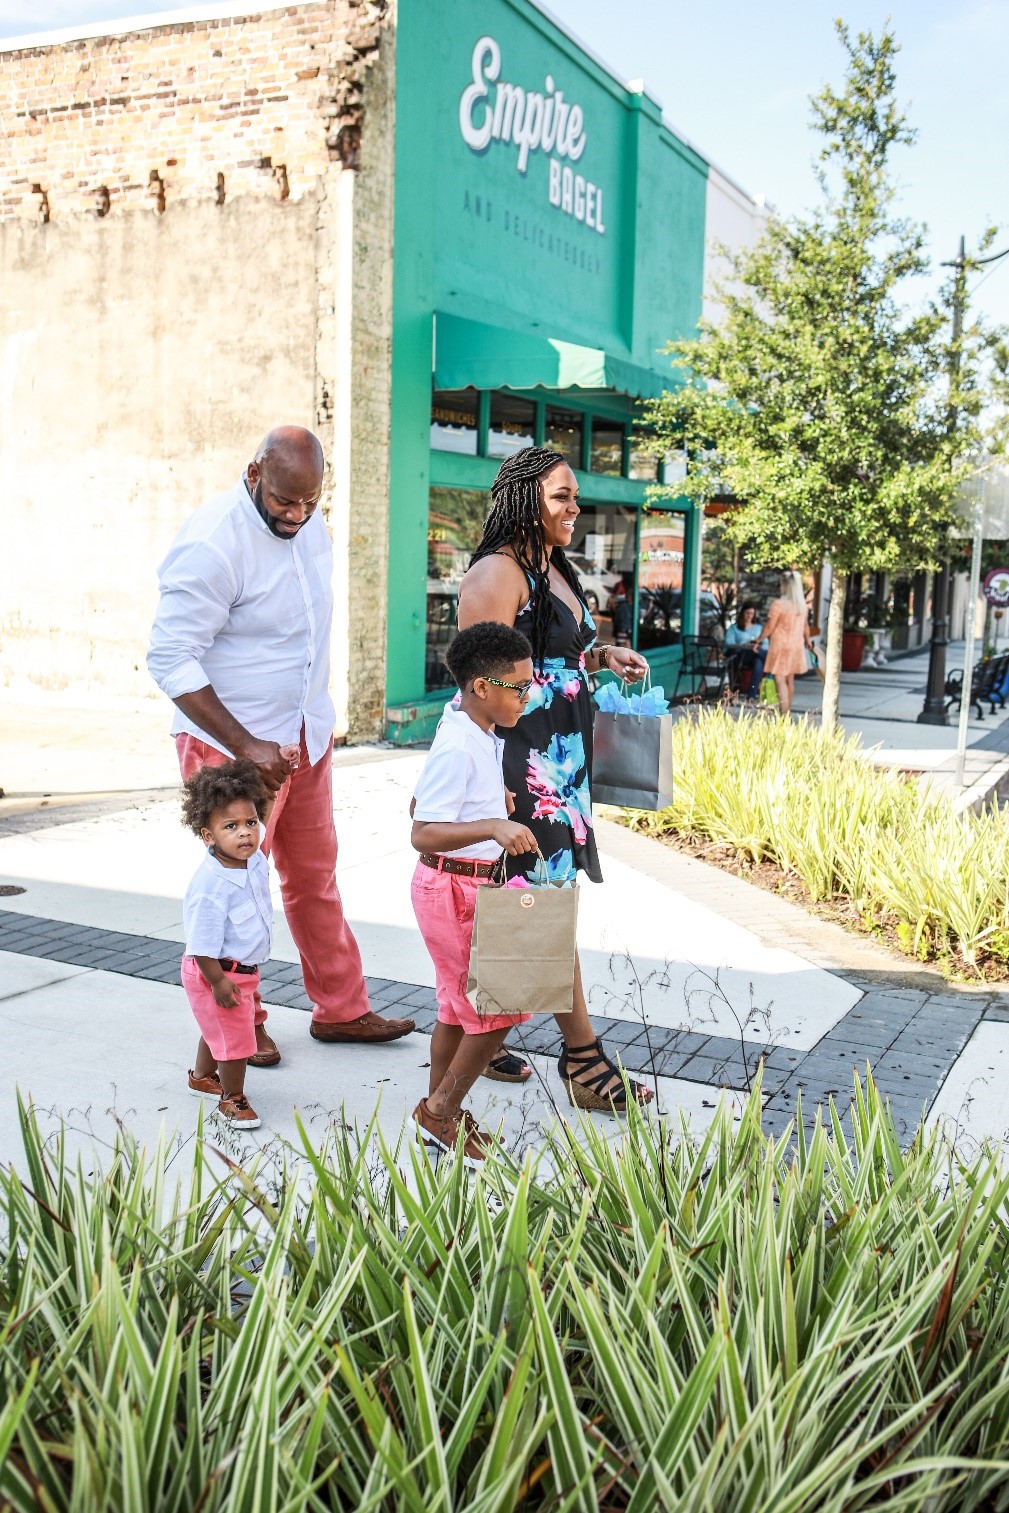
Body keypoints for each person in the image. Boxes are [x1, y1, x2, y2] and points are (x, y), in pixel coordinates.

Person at [148, 426, 415, 1055]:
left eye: (309, 503)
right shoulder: (214, 543)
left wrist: (308, 723)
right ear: (253, 475)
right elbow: (169, 658)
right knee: (239, 885)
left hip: (304, 736)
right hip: (230, 747)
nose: (296, 517)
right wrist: (245, 744)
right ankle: (241, 1026)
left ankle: (342, 1009)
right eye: (283, 502)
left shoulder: (308, 526)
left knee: (314, 875)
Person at [457, 445, 654, 1113]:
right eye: (561, 497)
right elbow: (480, 680)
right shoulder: (497, 571)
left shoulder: (551, 568)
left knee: (536, 904)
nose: (574, 508)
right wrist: (490, 782)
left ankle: (483, 1034)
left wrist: (600, 655)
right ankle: (581, 1055)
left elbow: (548, 652)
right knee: (536, 904)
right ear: (523, 501)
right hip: (525, 767)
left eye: (575, 497)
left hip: (558, 761)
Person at [410, 621, 539, 1162]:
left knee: (454, 1010)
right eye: (519, 687)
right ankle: (439, 1111)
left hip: (460, 886)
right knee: (503, 1008)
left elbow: (430, 803)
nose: (527, 698)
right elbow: (421, 829)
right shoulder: (461, 746)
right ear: (482, 687)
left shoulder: (470, 725)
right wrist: (490, 825)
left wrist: (492, 799)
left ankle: (440, 1115)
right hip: (455, 890)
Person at [180, 758, 294, 1129]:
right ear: (208, 836)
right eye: (231, 826)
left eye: (250, 823)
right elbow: (200, 946)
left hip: (240, 972)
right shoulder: (210, 887)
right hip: (215, 972)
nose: (245, 833)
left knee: (220, 1029)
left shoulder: (253, 861)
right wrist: (217, 982)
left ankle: (201, 1077)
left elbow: (269, 810)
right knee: (237, 1041)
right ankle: (233, 1098)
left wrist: (277, 780)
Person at [762, 571, 813, 716]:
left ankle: (784, 715)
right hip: (796, 646)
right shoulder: (801, 606)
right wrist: (808, 641)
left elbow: (770, 627)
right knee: (790, 679)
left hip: (781, 645)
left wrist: (759, 640)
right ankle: (787, 710)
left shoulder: (778, 604)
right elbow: (806, 627)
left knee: (779, 678)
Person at [724, 601, 767, 698]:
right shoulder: (734, 628)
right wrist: (745, 644)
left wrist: (756, 645)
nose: (749, 616)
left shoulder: (758, 628)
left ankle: (751, 696)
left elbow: (766, 644)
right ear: (742, 613)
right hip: (741, 655)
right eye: (747, 613)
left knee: (758, 663)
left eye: (752, 613)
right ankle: (770, 663)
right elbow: (728, 643)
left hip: (757, 655)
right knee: (758, 653)